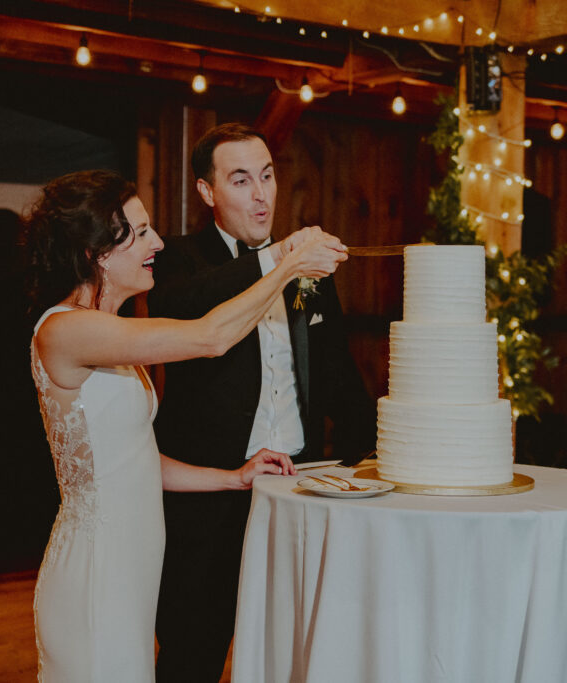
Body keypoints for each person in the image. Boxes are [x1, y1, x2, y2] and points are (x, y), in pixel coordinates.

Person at [23, 169, 348, 681]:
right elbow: (210, 337)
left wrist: (233, 477)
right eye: (141, 231)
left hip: (134, 565)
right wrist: (286, 268)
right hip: (96, 571)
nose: (156, 242)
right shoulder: (66, 330)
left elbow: (133, 459)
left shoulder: (114, 336)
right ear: (96, 252)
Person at [148, 123, 377, 682]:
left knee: (296, 650)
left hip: (300, 487)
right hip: (211, 495)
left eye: (269, 176)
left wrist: (373, 459)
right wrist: (277, 259)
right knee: (192, 652)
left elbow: (338, 376)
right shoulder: (181, 260)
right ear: (207, 193)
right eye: (241, 179)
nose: (261, 195)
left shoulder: (309, 271)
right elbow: (187, 305)